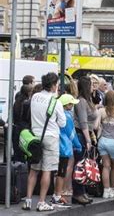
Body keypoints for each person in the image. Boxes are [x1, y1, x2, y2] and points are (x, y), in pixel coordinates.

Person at [23, 72, 66, 211]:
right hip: (51, 137)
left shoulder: (35, 97)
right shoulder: (56, 101)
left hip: (36, 137)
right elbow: (63, 123)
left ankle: (28, 201)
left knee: (34, 170)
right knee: (47, 171)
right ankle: (41, 202)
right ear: (53, 85)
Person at [52, 94, 82, 207]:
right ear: (67, 105)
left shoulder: (55, 114)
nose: (72, 106)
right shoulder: (67, 116)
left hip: (55, 144)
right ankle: (58, 196)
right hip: (64, 147)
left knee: (56, 171)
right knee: (62, 171)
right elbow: (71, 134)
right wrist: (78, 145)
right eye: (71, 103)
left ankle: (57, 194)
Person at [96, 91, 114, 198]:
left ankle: (106, 190)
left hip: (103, 141)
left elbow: (95, 126)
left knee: (105, 166)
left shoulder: (101, 110)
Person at [72, 76, 97, 205]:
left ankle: (81, 191)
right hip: (81, 134)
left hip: (87, 134)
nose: (94, 86)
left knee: (84, 164)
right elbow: (83, 122)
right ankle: (77, 193)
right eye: (92, 84)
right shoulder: (81, 101)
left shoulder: (88, 101)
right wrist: (88, 140)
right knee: (80, 164)